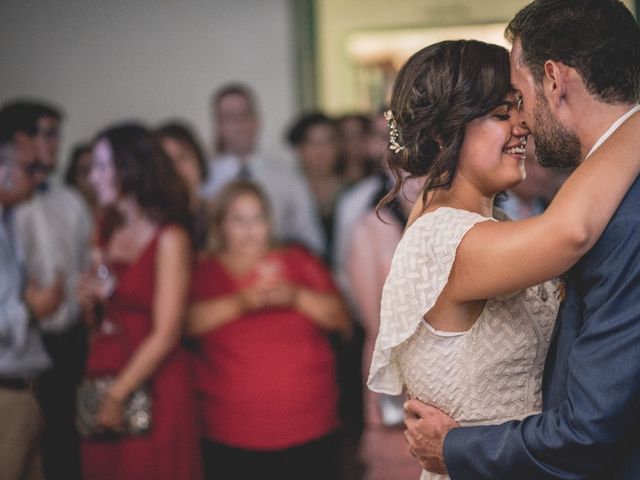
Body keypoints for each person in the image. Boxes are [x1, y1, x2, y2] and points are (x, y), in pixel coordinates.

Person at [366, 33, 640, 480]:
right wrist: (630, 121)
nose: (523, 126)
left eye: (519, 106)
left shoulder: (482, 229)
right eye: (500, 113)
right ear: (442, 132)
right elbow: (571, 232)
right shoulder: (445, 240)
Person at [187, 180, 349, 480]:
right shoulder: (203, 271)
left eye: (257, 218)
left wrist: (295, 296)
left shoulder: (300, 261)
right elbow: (184, 325)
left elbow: (341, 320)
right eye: (239, 220)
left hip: (311, 427)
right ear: (221, 224)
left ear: (269, 222)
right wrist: (240, 302)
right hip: (229, 433)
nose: (250, 229)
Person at [77, 123, 201, 480]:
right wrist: (88, 300)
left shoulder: (170, 237)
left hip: (152, 379)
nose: (94, 177)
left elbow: (167, 331)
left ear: (130, 169)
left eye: (102, 167)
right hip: (102, 369)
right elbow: (96, 322)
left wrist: (118, 394)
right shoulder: (104, 228)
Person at [7, 100, 92, 480]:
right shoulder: (10, 208)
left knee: (65, 446)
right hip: (20, 346)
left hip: (69, 340)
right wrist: (31, 309)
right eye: (46, 133)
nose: (54, 143)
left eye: (57, 134)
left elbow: (85, 264)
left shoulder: (70, 202)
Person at [0, 104, 63, 480]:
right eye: (29, 169)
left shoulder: (10, 226)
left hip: (25, 392)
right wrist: (30, 307)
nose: (38, 178)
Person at [347, 175, 424, 480]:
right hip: (391, 359)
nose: (419, 180)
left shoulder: (448, 220)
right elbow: (372, 319)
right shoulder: (371, 225)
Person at [201, 83, 325, 255]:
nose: (238, 124)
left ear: (257, 120)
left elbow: (311, 240)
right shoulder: (203, 179)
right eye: (229, 117)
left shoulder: (288, 177)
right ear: (218, 126)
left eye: (244, 115)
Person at [286, 112, 346, 265]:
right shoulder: (287, 191)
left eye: (327, 143)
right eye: (313, 144)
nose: (320, 151)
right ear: (299, 149)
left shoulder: (353, 191)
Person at [154, 121, 210, 250]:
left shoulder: (220, 216)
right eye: (166, 162)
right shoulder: (151, 224)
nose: (175, 169)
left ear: (198, 160)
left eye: (182, 157)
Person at [64, 142, 99, 217]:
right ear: (75, 177)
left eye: (99, 168)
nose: (94, 176)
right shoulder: (66, 216)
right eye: (86, 171)